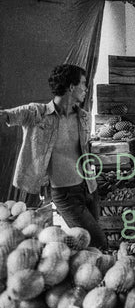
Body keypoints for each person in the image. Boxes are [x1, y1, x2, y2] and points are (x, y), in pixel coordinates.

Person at [0, 64, 108, 249]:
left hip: (90, 187)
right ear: (71, 87)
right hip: (65, 194)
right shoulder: (36, 114)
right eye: (83, 83)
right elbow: (5, 116)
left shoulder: (83, 117)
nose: (86, 88)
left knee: (90, 246)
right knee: (99, 243)